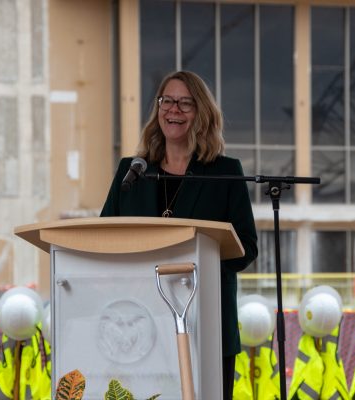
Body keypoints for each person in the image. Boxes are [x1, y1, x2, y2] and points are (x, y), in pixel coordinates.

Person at [100, 70, 258, 399]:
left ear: (202, 113)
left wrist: (199, 266)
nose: (174, 110)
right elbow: (105, 238)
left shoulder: (226, 172)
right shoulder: (133, 171)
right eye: (167, 101)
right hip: (139, 322)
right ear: (157, 110)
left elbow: (247, 249)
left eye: (186, 103)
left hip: (208, 321)